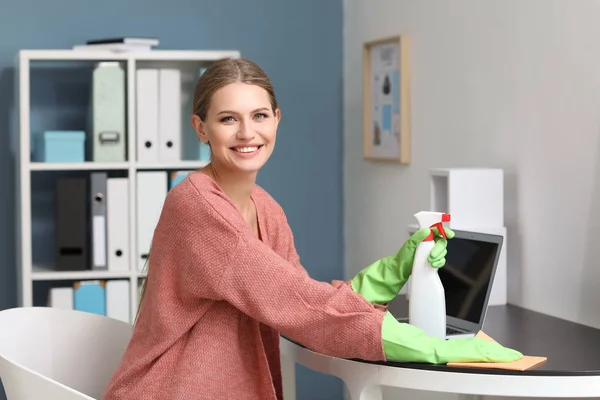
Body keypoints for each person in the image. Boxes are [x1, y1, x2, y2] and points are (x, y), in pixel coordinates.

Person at [102, 58, 522, 400]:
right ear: (201, 129)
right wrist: (434, 348)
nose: (248, 133)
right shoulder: (196, 205)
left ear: (277, 119)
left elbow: (302, 305)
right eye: (228, 119)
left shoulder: (266, 209)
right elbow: (301, 306)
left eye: (259, 115)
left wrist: (399, 266)